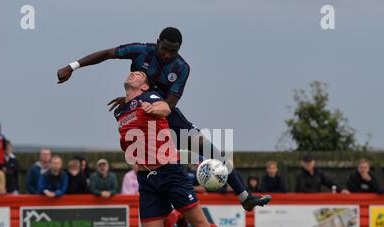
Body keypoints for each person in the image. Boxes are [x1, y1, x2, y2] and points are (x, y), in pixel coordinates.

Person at [57, 27, 270, 212]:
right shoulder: (141, 51)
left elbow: (170, 104)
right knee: (154, 167)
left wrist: (152, 104)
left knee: (212, 151)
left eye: (173, 51)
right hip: (141, 118)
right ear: (158, 43)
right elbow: (107, 54)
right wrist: (72, 66)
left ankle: (244, 198)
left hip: (164, 114)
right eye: (164, 49)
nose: (167, 54)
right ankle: (175, 211)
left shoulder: (181, 68)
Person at [112, 71, 252, 227]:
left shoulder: (149, 98)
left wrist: (154, 108)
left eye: (139, 74)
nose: (134, 73)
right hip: (147, 179)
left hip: (170, 171)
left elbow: (165, 108)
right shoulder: (120, 111)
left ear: (144, 87)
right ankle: (177, 214)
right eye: (132, 72)